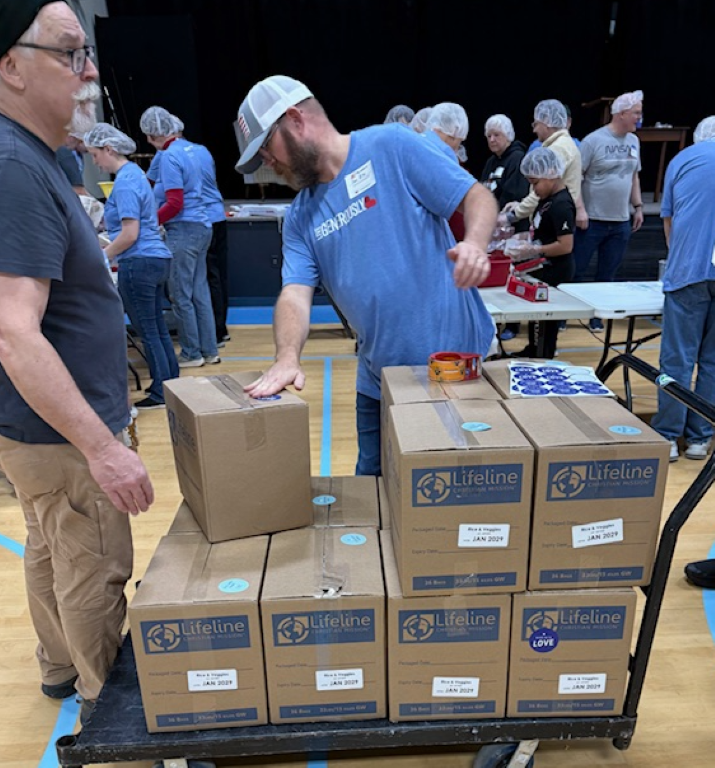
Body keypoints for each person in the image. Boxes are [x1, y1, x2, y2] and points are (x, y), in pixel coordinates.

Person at [0, 0, 153, 726]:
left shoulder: (33, 155)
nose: (88, 72)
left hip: (37, 430)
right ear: (10, 66)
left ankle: (61, 668)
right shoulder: (13, 166)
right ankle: (107, 707)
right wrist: (102, 448)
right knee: (93, 561)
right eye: (68, 53)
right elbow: (12, 331)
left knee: (50, 544)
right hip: (65, 432)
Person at [234, 75, 497, 476]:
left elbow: (475, 196)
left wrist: (475, 243)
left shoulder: (391, 146)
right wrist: (287, 356)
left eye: (266, 150)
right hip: (379, 382)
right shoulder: (301, 217)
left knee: (454, 496)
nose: (267, 165)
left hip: (457, 370)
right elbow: (294, 294)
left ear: (294, 119)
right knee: (371, 495)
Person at [84, 122, 179, 409]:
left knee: (148, 330)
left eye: (94, 154)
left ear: (108, 149)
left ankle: (161, 393)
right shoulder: (135, 175)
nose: (94, 161)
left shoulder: (124, 182)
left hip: (138, 261)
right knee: (157, 328)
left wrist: (104, 255)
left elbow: (130, 233)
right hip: (155, 258)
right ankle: (170, 385)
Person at [139, 106, 219, 368]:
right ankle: (209, 349)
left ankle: (191, 353)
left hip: (183, 229)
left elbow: (174, 202)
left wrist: (150, 223)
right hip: (203, 226)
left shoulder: (169, 157)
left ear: (152, 135)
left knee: (180, 294)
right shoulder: (193, 151)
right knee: (199, 291)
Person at [573, 90, 644, 331]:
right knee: (578, 270)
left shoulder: (634, 141)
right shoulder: (593, 141)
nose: (639, 117)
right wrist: (580, 210)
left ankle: (597, 318)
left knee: (607, 274)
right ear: (622, 114)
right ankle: (563, 317)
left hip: (620, 221)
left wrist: (638, 207)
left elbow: (634, 176)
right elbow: (575, 178)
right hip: (591, 219)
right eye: (636, 113)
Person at [512, 148, 575, 359]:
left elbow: (565, 245)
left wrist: (535, 249)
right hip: (541, 267)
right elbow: (539, 231)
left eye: (535, 183)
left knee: (546, 321)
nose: (533, 188)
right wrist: (522, 240)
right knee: (535, 315)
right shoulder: (545, 200)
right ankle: (534, 348)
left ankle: (543, 354)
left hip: (556, 269)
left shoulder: (562, 204)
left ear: (550, 174)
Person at [480, 114, 530, 341]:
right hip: (493, 226)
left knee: (513, 274)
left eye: (496, 135)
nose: (492, 139)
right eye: (488, 135)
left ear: (508, 136)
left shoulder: (517, 158)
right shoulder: (492, 161)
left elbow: (515, 195)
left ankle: (513, 323)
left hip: (513, 227)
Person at [503, 99, 584, 228]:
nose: (534, 130)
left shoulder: (559, 148)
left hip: (553, 220)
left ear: (547, 121)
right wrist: (521, 205)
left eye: (536, 124)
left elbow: (542, 188)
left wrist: (513, 215)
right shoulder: (559, 145)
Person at [425, 102, 470, 240]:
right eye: (459, 142)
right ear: (455, 130)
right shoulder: (441, 155)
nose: (457, 149)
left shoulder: (418, 145)